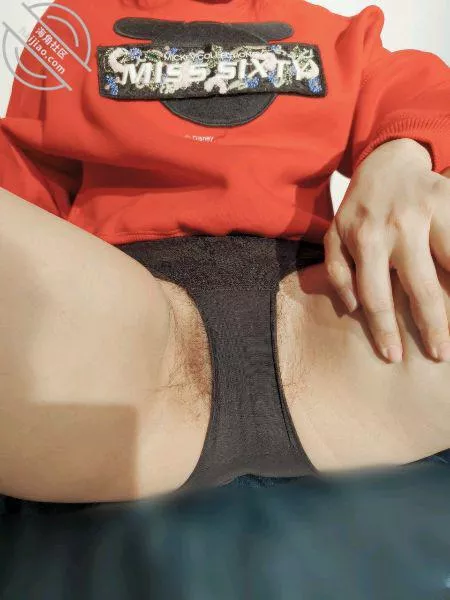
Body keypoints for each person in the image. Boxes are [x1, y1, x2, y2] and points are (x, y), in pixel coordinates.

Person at [0, 0, 449, 504]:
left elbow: (419, 91)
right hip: (124, 328)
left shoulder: (345, 37)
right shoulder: (71, 26)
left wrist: (402, 156)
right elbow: (26, 173)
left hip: (328, 325)